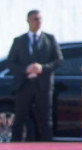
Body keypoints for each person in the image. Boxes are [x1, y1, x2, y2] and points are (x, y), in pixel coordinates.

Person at [6, 9, 63, 141]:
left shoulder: (49, 39)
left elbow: (58, 60)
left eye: (40, 19)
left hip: (43, 86)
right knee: (19, 118)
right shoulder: (19, 41)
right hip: (24, 85)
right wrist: (26, 69)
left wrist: (41, 68)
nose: (38, 22)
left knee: (46, 119)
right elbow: (10, 63)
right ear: (28, 21)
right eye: (35, 19)